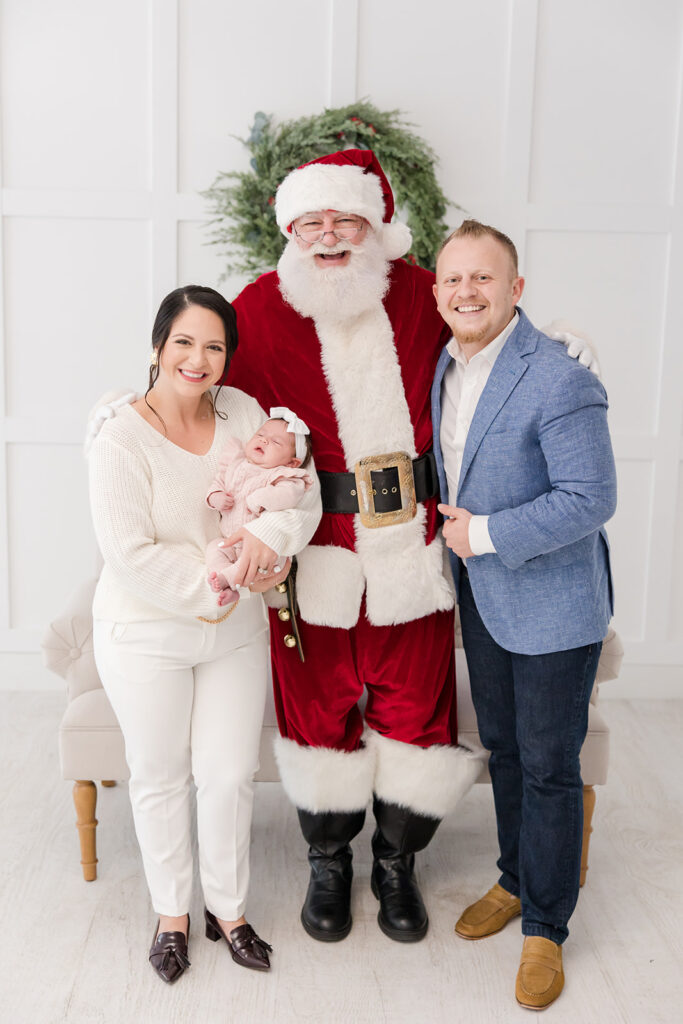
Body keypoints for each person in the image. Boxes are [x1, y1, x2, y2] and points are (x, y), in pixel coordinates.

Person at [226, 149, 597, 944]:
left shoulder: (422, 293)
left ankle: (397, 864)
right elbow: (204, 385)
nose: (329, 237)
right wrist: (134, 401)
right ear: (290, 229)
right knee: (315, 710)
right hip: (314, 544)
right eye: (312, 222)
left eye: (345, 220)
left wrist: (559, 341)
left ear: (374, 227)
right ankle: (329, 861)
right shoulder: (255, 308)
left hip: (412, 545)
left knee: (414, 713)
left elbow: (489, 331)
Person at [88, 285, 321, 983]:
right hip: (145, 633)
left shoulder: (243, 413)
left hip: (235, 632)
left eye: (214, 345)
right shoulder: (119, 437)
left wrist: (269, 544)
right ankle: (172, 916)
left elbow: (294, 494)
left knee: (227, 776)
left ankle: (229, 909)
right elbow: (129, 553)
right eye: (184, 342)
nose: (198, 358)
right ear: (158, 347)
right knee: (159, 777)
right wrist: (220, 584)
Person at [431, 220, 616, 1009]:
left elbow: (589, 499)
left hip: (552, 604)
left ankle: (545, 926)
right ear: (436, 291)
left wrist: (483, 534)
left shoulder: (559, 376)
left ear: (515, 288)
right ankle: (514, 879)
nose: (465, 292)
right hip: (483, 595)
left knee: (548, 767)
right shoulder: (442, 365)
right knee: (503, 750)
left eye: (483, 278)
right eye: (452, 280)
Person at [206, 409, 313, 602]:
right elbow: (218, 481)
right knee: (214, 549)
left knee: (258, 562)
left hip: (264, 546)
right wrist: (215, 497)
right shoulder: (236, 464)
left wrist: (260, 498)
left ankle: (228, 579)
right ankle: (228, 583)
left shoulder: (283, 476)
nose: (264, 440)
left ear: (292, 463)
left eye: (276, 442)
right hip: (230, 541)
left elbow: (288, 496)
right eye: (261, 435)